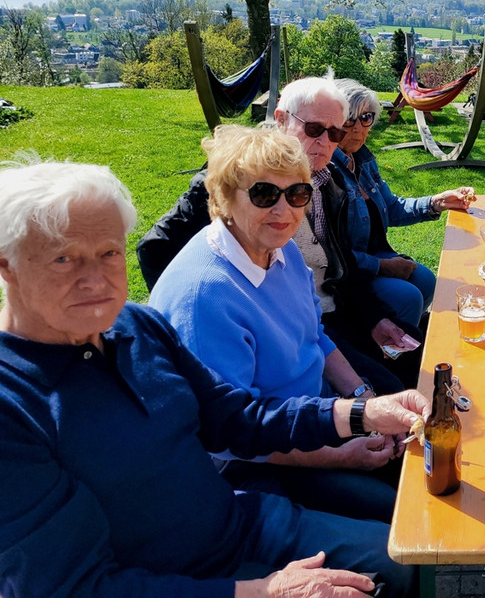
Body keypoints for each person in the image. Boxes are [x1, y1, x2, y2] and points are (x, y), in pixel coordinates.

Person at [0, 158, 422, 598]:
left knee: (406, 559)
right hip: (170, 579)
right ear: (6, 265)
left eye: (109, 253)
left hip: (239, 524)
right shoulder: (12, 404)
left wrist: (362, 411)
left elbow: (234, 417)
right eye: (64, 258)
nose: (95, 281)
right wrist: (263, 591)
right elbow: (68, 587)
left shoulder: (137, 326)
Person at [149, 124, 405, 523]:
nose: (284, 211)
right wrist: (341, 453)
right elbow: (238, 434)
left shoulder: (280, 251)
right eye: (264, 194)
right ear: (224, 197)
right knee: (394, 510)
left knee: (416, 449)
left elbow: (314, 336)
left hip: (316, 414)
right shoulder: (205, 295)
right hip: (262, 459)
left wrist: (362, 397)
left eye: (297, 193)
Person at [137, 75, 421, 391]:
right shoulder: (236, 175)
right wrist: (192, 313)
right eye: (314, 129)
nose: (325, 142)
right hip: (282, 329)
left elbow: (340, 264)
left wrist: (374, 318)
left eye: (335, 133)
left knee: (417, 356)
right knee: (391, 387)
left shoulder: (328, 181)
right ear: (282, 119)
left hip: (322, 315)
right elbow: (155, 247)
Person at [336, 81, 476, 327]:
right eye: (349, 119)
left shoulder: (362, 159)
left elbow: (390, 207)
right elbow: (332, 253)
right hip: (348, 271)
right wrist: (382, 266)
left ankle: (407, 336)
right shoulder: (327, 172)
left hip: (373, 256)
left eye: (366, 117)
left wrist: (437, 202)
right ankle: (387, 344)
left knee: (426, 280)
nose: (358, 128)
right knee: (409, 296)